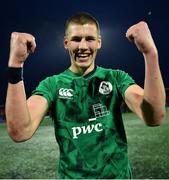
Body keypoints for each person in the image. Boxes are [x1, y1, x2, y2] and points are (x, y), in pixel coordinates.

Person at [5, 12, 166, 179]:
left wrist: (150, 53)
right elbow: (20, 131)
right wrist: (16, 64)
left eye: (89, 39)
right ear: (66, 43)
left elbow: (155, 117)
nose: (82, 46)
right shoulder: (52, 85)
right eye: (76, 39)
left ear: (99, 42)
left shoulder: (116, 78)